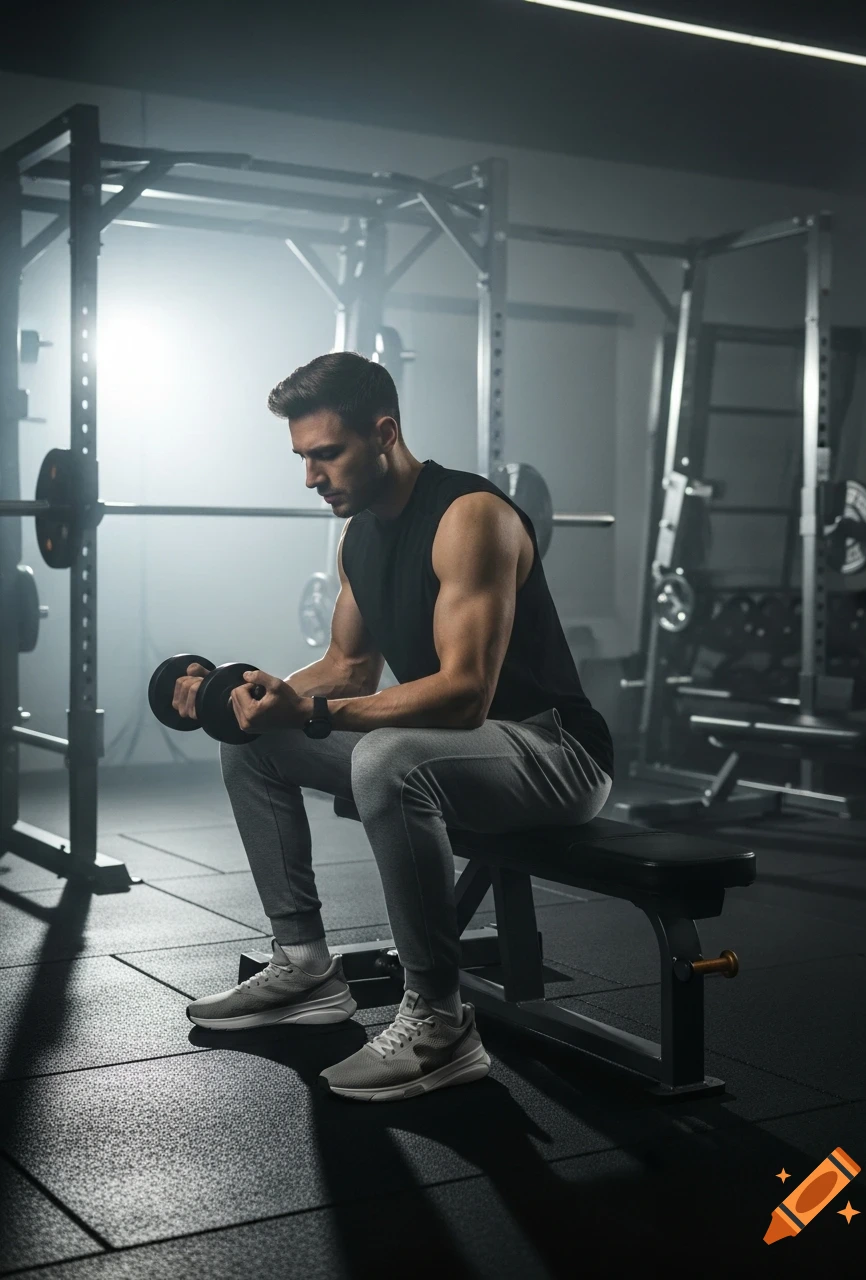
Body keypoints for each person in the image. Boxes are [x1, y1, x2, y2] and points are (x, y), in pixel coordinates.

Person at [179, 352, 614, 1102]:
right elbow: (346, 669)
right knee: (253, 745)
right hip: (459, 753)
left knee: (386, 759)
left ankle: (440, 1023)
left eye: (325, 454)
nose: (311, 477)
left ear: (384, 434)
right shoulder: (361, 538)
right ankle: (306, 967)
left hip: (554, 753)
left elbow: (465, 696)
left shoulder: (469, 517)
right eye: (302, 457)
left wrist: (310, 711)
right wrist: (238, 694)